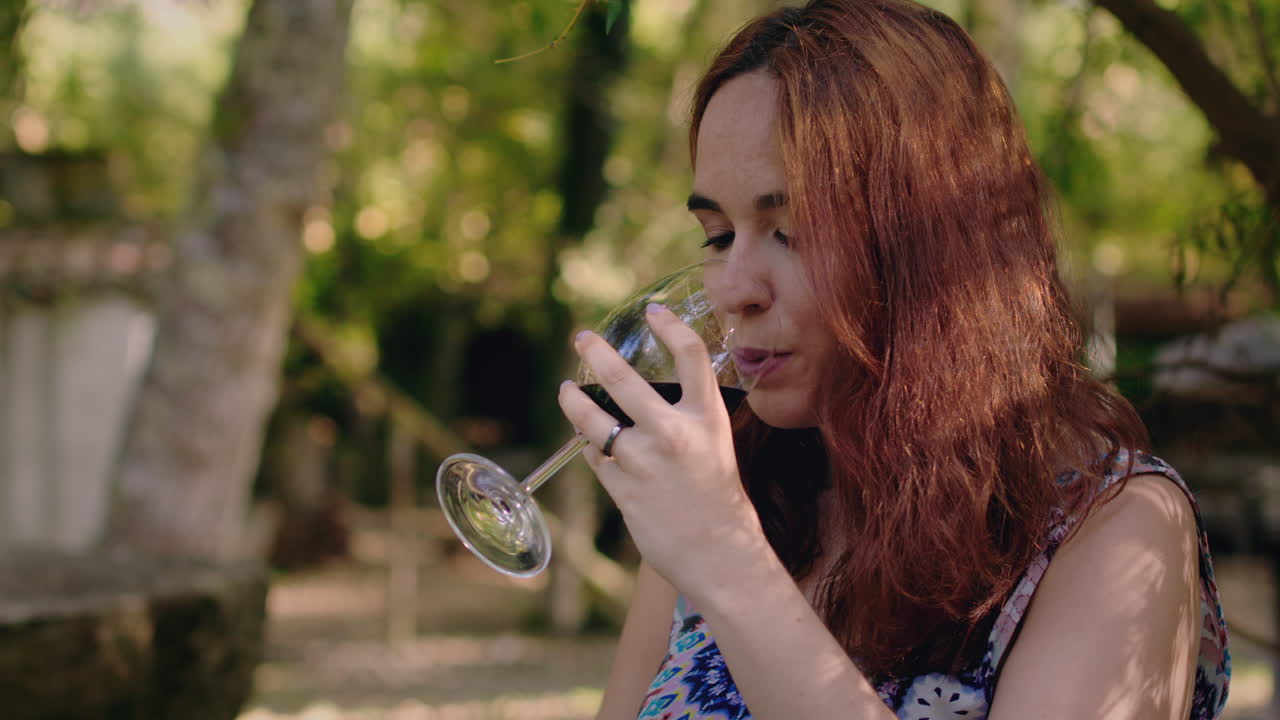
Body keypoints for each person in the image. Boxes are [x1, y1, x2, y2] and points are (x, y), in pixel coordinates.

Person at [556, 1, 1232, 718]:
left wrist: (728, 561)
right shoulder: (739, 494)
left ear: (935, 250)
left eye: (791, 231)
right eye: (717, 236)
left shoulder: (1113, 527)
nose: (731, 289)